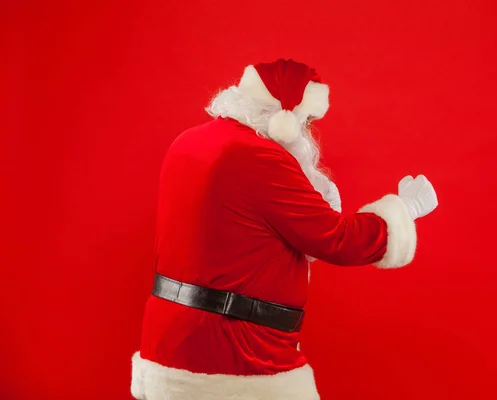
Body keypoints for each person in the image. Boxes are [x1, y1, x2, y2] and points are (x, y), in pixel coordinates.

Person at [131, 58, 438, 400]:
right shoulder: (262, 159)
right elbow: (340, 239)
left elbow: (236, 239)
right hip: (233, 353)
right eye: (306, 121)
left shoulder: (188, 142)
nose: (308, 134)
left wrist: (312, 203)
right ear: (283, 118)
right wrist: (404, 209)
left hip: (168, 344)